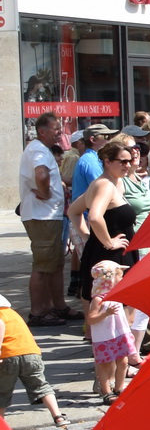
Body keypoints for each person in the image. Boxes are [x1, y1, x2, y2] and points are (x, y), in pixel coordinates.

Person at [18, 112, 74, 327]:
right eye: (56, 129)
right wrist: (46, 193)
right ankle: (38, 312)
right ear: (42, 131)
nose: (60, 132)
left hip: (48, 215)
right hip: (42, 216)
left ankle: (57, 306)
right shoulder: (38, 150)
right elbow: (41, 175)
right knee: (43, 266)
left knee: (54, 264)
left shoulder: (41, 149)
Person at [67, 142, 140, 304]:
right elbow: (94, 216)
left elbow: (73, 211)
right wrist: (108, 243)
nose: (128, 165)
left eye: (129, 161)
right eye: (123, 162)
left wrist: (89, 237)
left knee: (112, 308)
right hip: (111, 257)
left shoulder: (107, 183)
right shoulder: (105, 185)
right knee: (117, 308)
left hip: (110, 252)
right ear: (107, 161)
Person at [0, 293, 71, 430]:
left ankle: (1, 428)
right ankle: (58, 416)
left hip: (8, 356)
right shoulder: (12, 314)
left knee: (2, 392)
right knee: (42, 386)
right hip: (31, 354)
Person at [84, 260, 137, 405]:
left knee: (123, 361)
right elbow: (91, 319)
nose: (122, 278)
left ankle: (119, 387)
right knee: (105, 364)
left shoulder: (115, 295)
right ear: (109, 279)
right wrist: (105, 313)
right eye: (119, 276)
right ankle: (106, 390)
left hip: (120, 334)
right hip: (104, 337)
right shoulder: (98, 300)